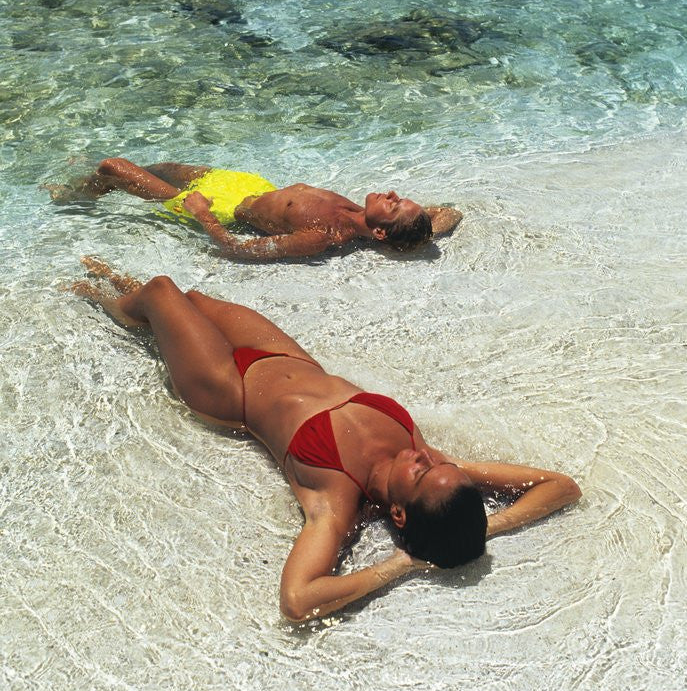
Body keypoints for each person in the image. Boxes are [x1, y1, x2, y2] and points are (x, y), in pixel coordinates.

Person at [72, 258, 582, 621]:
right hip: (288, 358)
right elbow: (561, 486)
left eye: (421, 472)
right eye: (436, 462)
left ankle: (104, 303)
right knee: (194, 303)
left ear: (398, 513)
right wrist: (486, 528)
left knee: (162, 292)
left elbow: (297, 601)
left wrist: (402, 564)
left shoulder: (336, 500)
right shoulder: (439, 473)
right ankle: (125, 296)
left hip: (229, 387)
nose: (426, 456)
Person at [50, 158, 463, 260]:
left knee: (113, 168)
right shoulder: (361, 215)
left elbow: (238, 249)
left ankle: (72, 200)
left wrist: (202, 214)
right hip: (248, 185)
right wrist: (425, 234)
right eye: (398, 197)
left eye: (395, 204)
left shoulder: (321, 236)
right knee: (160, 167)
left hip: (220, 207)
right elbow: (450, 212)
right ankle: (85, 192)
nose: (391, 193)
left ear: (380, 231)